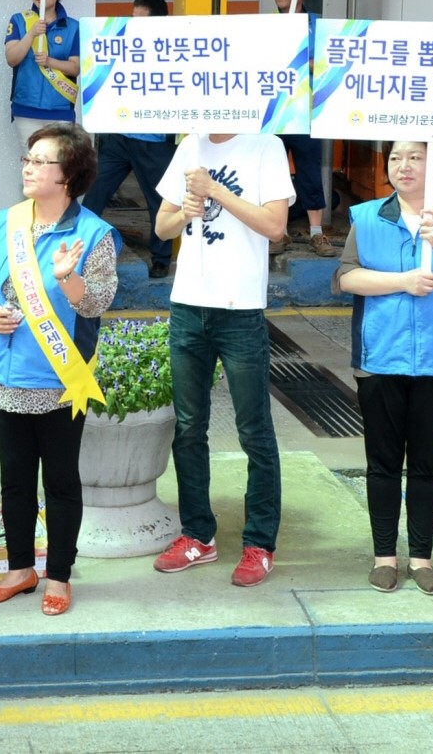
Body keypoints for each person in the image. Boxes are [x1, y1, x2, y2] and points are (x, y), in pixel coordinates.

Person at [0, 124, 117, 617]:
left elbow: (96, 303)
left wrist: (68, 278)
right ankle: (19, 569)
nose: (28, 168)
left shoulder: (93, 234)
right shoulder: (4, 222)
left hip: (59, 380)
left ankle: (59, 576)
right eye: (27, 159)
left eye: (40, 161)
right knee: (14, 480)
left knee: (61, 482)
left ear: (68, 176)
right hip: (7, 375)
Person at [335, 141, 433, 596]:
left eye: (416, 157)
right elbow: (346, 277)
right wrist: (402, 282)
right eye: (396, 158)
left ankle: (421, 558)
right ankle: (384, 556)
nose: (403, 166)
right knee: (382, 463)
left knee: (427, 464)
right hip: (380, 357)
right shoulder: (367, 217)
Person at [151, 130, 294, 588]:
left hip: (240, 310)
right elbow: (162, 227)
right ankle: (198, 534)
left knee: (254, 430)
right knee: (189, 427)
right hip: (188, 306)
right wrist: (184, 212)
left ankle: (260, 543)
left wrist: (214, 190)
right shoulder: (189, 145)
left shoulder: (265, 145)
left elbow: (275, 226)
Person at [81, 0, 178, 279]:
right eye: (131, 18)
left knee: (159, 201)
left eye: (140, 19)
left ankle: (161, 258)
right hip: (119, 136)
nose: (133, 24)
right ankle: (79, 249)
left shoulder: (175, 50)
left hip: (153, 140)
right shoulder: (122, 44)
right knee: (95, 193)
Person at [270, 0, 333, 258]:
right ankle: (278, 233)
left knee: (309, 171)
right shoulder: (266, 26)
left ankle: (317, 234)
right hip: (274, 112)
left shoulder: (318, 25)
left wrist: (303, 63)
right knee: (274, 173)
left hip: (305, 113)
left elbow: (329, 64)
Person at [5, 0, 79, 136]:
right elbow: (11, 59)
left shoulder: (73, 27)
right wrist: (31, 33)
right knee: (31, 153)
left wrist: (49, 61)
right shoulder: (19, 20)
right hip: (26, 108)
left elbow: (75, 68)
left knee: (60, 153)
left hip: (60, 109)